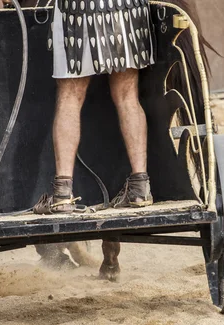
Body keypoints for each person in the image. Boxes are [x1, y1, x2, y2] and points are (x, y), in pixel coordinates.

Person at [33, 0, 155, 214]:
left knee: (70, 96)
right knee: (128, 95)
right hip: (128, 8)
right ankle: (140, 187)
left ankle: (62, 195)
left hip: (77, 10)